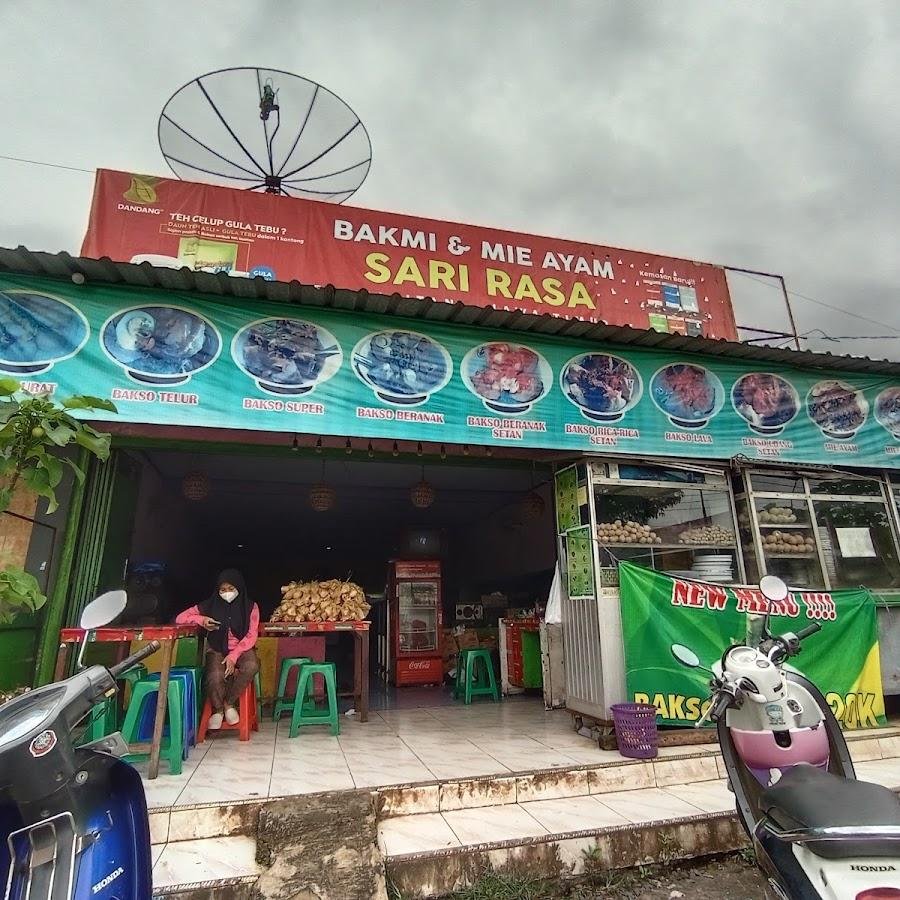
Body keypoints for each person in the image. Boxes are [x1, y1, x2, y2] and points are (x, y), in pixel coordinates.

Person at [176, 569, 259, 731]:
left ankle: (228, 703)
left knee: (251, 666)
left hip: (242, 648)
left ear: (239, 589)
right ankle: (219, 710)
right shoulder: (209, 605)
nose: (226, 593)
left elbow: (251, 635)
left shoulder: (251, 607)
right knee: (214, 675)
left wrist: (233, 657)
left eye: (230, 589)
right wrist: (202, 620)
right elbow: (180, 618)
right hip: (217, 647)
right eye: (222, 590)